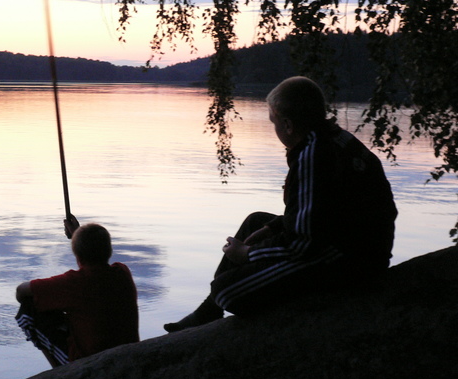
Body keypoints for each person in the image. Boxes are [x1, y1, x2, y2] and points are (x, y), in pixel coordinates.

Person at [164, 76, 397, 332]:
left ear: (287, 125)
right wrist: (273, 228)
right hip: (346, 242)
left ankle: (216, 302)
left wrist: (248, 253)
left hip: (348, 261)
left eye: (273, 122)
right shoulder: (334, 138)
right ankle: (209, 310)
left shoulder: (313, 155)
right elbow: (323, 211)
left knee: (225, 292)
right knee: (256, 222)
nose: (273, 128)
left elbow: (305, 244)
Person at [16, 223, 139, 367]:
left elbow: (21, 291)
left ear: (77, 253)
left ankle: (61, 373)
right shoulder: (122, 272)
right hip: (128, 355)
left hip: (91, 364)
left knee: (29, 308)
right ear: (110, 250)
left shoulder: (74, 283)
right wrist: (77, 234)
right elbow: (94, 264)